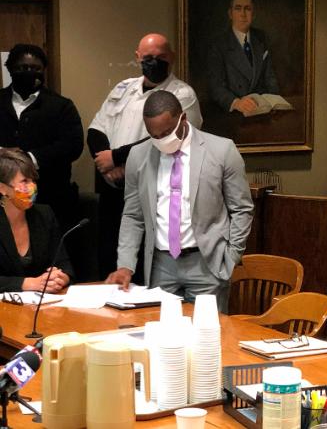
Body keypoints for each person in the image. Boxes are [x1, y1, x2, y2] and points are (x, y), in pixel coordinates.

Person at [105, 91, 253, 312]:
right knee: (162, 337)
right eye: (154, 135)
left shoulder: (222, 150)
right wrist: (125, 265)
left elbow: (242, 209)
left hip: (207, 262)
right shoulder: (138, 155)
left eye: (166, 132)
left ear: (183, 119)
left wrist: (231, 257)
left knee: (206, 337)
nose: (161, 140)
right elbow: (133, 215)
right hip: (160, 265)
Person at [88, 33, 202, 280]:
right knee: (110, 259)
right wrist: (107, 166)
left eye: (161, 57)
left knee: (143, 267)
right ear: (137, 57)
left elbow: (168, 137)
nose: (154, 62)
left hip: (151, 184)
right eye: (148, 57)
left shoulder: (181, 93)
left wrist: (117, 158)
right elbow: (97, 128)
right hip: (112, 186)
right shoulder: (123, 89)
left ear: (171, 57)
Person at [0, 44, 84, 229]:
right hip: (3, 198)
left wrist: (29, 159)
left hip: (51, 199)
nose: (29, 72)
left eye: (36, 68)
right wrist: (3, 154)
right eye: (22, 68)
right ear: (10, 69)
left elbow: (73, 145)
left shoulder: (62, 106)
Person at [0, 149, 72, 293]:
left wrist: (60, 277)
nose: (32, 187)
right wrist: (26, 284)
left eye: (33, 180)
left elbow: (63, 263)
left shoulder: (44, 214)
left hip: (43, 305)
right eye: (24, 181)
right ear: (2, 188)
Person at [207, 0, 280, 114]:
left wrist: (274, 101)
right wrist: (236, 103)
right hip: (232, 114)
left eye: (247, 9)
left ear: (254, 14)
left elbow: (270, 78)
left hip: (262, 110)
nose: (243, 14)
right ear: (230, 14)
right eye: (238, 8)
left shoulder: (262, 38)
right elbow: (216, 87)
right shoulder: (219, 44)